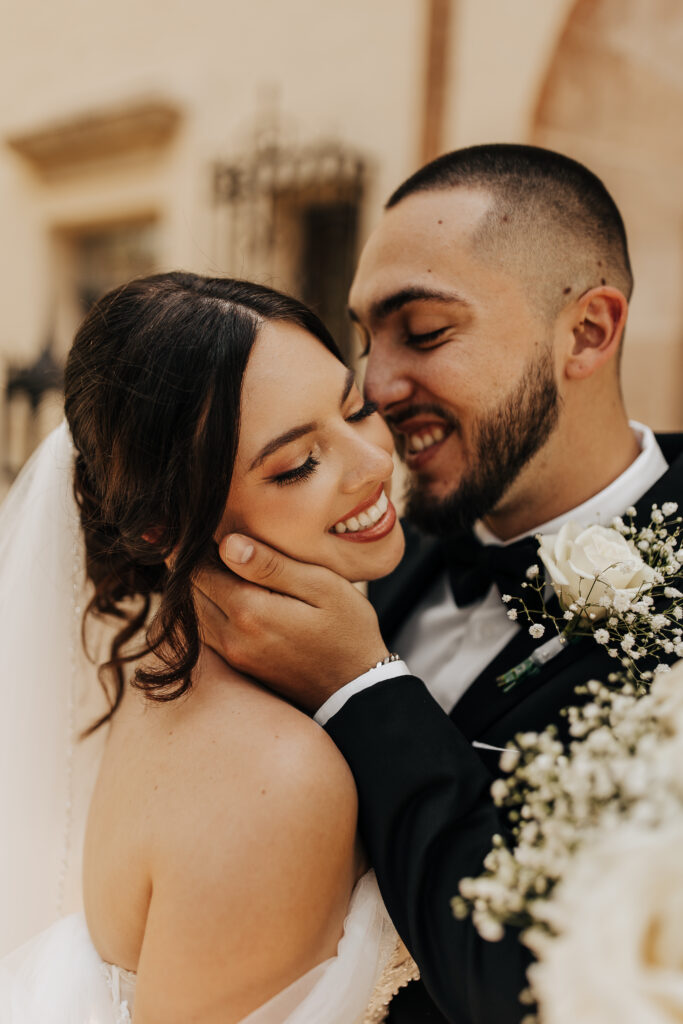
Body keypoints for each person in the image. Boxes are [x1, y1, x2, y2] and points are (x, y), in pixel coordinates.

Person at [193, 145, 683, 1023]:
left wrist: (359, 687)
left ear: (587, 331)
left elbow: (539, 986)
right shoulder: (359, 556)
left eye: (423, 333)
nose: (374, 387)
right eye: (364, 341)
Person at [0, 272, 420, 1022]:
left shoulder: (172, 661)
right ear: (163, 527)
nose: (372, 463)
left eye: (354, 407)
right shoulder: (276, 778)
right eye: (297, 464)